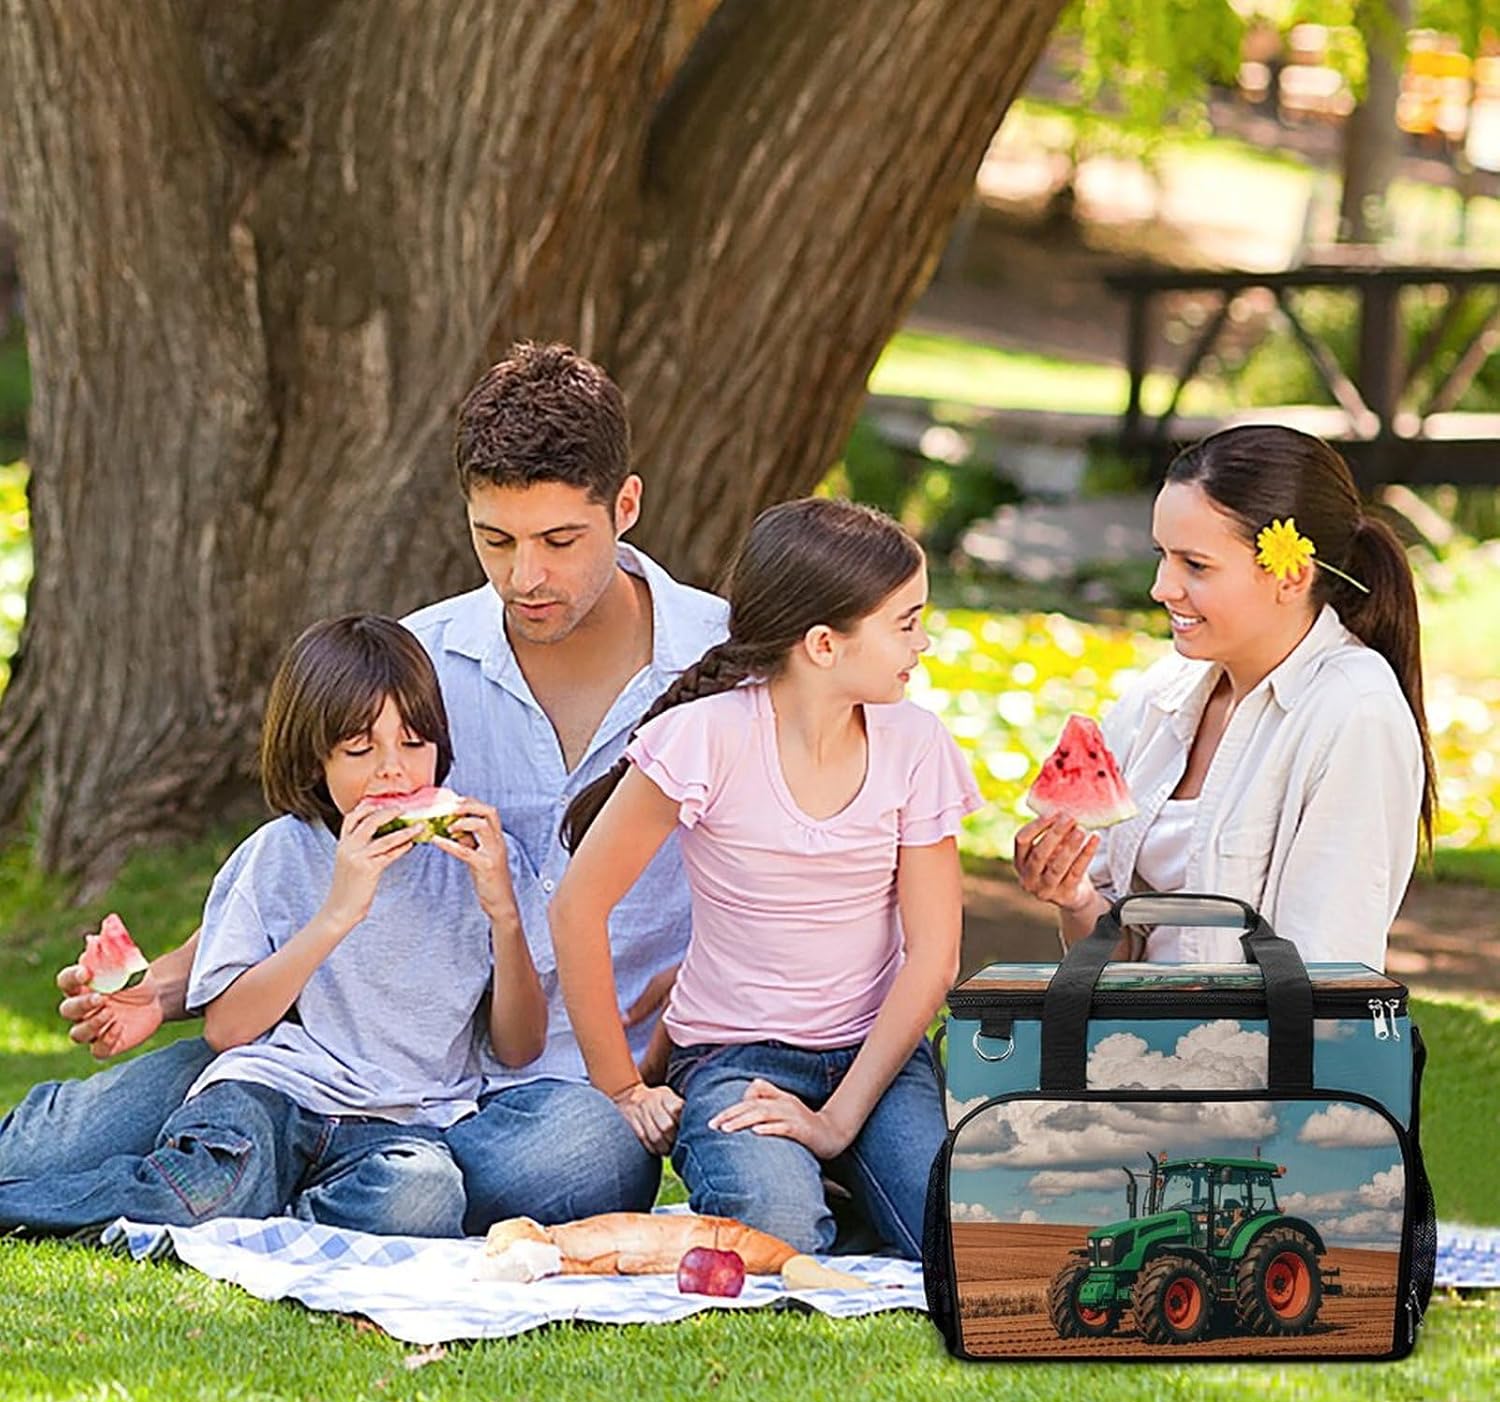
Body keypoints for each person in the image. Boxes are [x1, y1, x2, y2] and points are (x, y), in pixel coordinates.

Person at [12, 342, 729, 1232]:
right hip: (332, 1043)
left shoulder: (724, 669)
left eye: (559, 541)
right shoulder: (419, 664)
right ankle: (268, 1162)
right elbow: (309, 859)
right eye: (494, 540)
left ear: (626, 507)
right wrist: (157, 992)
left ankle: (294, 1179)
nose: (524, 577)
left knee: (586, 1164)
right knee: (56, 1148)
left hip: (547, 1090)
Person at [0, 615, 544, 1236]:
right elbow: (229, 1028)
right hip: (271, 1096)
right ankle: (30, 1202)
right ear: (315, 762)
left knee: (424, 1198)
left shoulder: (483, 867)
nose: (394, 770)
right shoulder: (279, 855)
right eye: (362, 749)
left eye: (414, 743)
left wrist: (503, 913)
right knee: (201, 1192)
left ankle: (276, 1221)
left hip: (403, 1124)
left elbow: (519, 1046)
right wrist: (338, 913)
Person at [550, 498, 983, 1257]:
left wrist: (838, 1121)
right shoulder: (704, 739)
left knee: (959, 1243)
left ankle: (841, 1171)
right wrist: (622, 1086)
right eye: (905, 623)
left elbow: (934, 957)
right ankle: (805, 1186)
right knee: (779, 1233)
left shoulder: (917, 745)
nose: (925, 641)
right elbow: (577, 908)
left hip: (875, 1056)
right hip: (733, 1058)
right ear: (823, 643)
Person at [1015, 424, 1433, 968]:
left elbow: (1326, 971)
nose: (1161, 587)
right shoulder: (1160, 693)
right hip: (1136, 1043)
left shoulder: (1354, 711)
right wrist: (1075, 897)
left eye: (1196, 565)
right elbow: (1124, 951)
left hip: (1256, 1051)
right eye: (1162, 555)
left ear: (1291, 575)